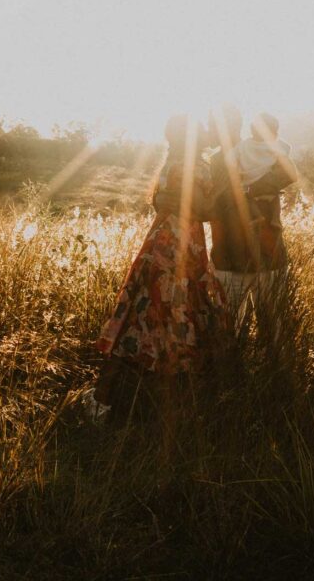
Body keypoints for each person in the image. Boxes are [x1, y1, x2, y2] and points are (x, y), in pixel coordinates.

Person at [83, 114, 229, 423]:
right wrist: (226, 190)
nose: (206, 133)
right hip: (181, 251)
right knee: (178, 320)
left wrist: (172, 200)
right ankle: (172, 414)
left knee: (139, 318)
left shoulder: (172, 162)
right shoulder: (196, 167)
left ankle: (102, 402)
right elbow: (202, 209)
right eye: (200, 131)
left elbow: (164, 202)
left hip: (159, 247)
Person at [207, 106, 298, 346]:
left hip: (260, 253)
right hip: (234, 255)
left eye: (212, 126)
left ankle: (269, 375)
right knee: (232, 329)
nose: (209, 132)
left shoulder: (225, 160)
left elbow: (287, 174)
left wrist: (253, 190)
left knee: (270, 328)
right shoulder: (216, 161)